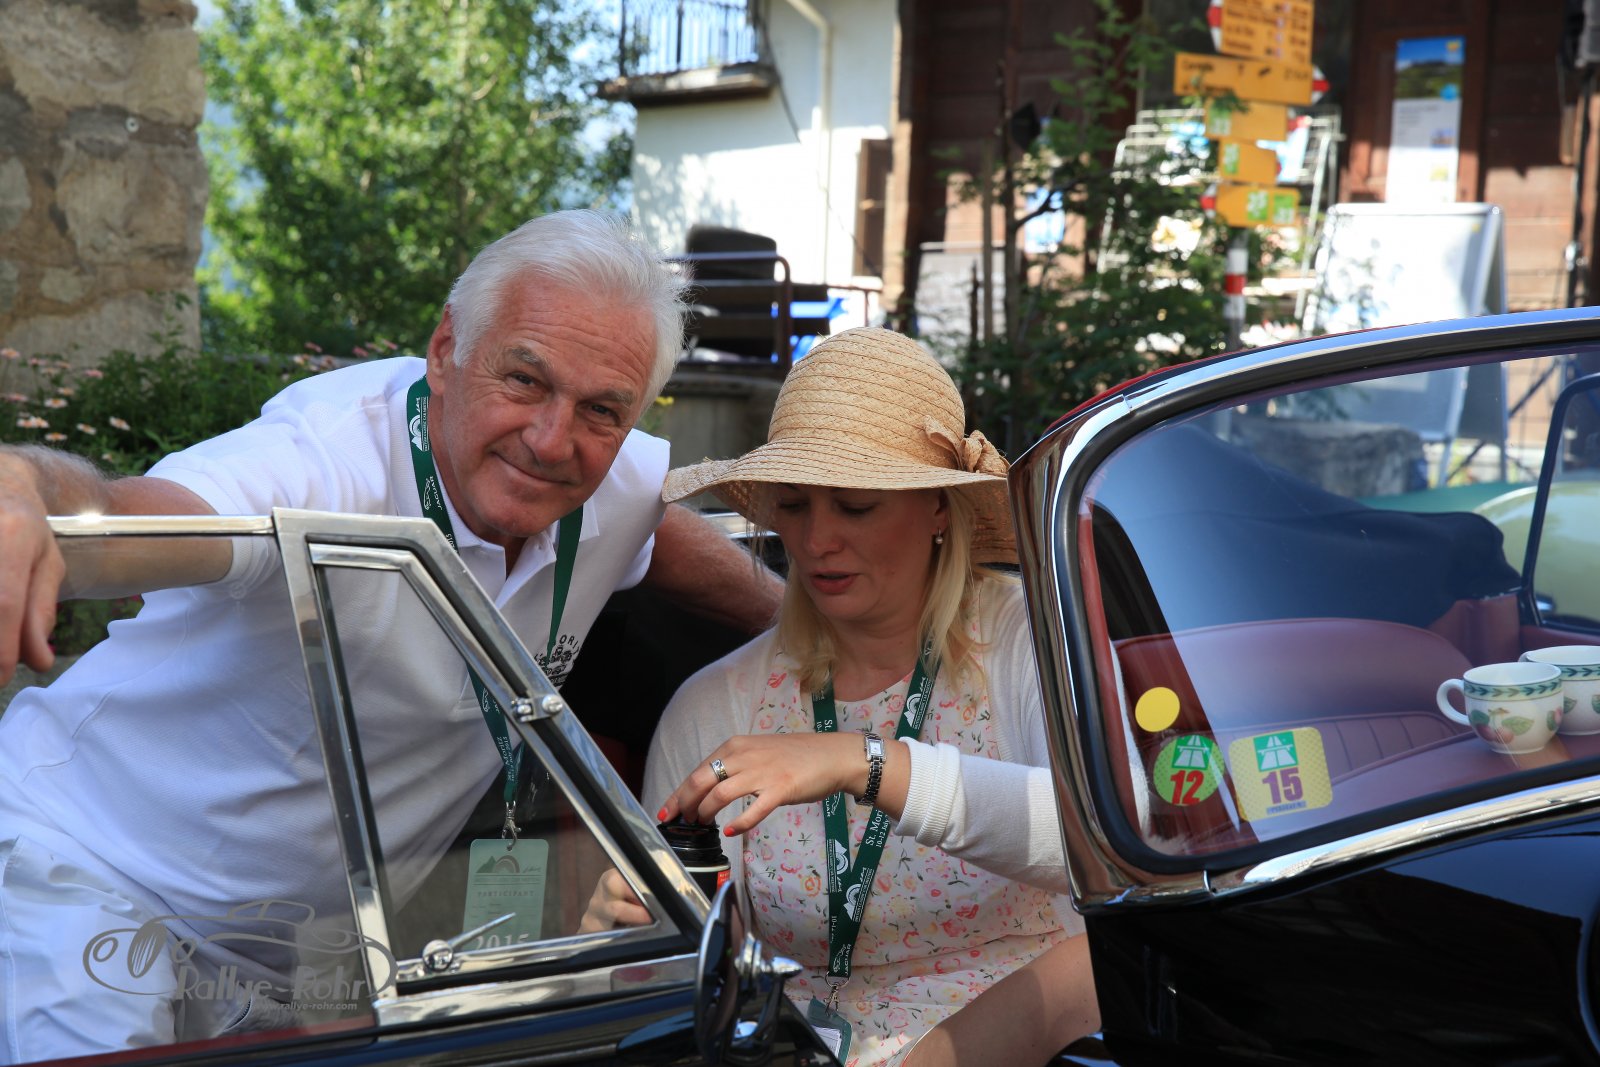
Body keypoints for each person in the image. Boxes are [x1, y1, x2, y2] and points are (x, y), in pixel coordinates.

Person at [0, 209, 783, 1062]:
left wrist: (815, 627)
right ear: (445, 350)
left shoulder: (611, 480)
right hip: (91, 873)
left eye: (602, 409)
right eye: (524, 379)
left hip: (305, 957)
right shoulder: (322, 462)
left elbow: (660, 533)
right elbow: (122, 517)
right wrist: (22, 491)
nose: (552, 439)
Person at [583, 327, 1098, 1066]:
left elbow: (1107, 848)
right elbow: (698, 968)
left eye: (855, 505)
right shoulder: (716, 704)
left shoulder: (1033, 646)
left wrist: (866, 763)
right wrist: (638, 933)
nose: (817, 538)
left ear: (939, 508)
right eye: (793, 505)